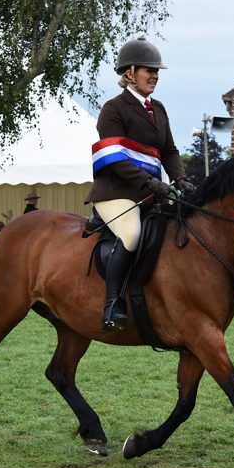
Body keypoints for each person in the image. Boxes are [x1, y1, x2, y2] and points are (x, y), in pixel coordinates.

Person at [85, 37, 194, 331]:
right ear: (130, 73)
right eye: (149, 70)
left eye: (157, 71)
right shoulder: (113, 109)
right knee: (132, 235)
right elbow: (115, 159)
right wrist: (150, 182)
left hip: (149, 194)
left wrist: (180, 178)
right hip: (115, 193)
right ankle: (112, 305)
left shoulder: (158, 108)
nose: (155, 75)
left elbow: (169, 150)